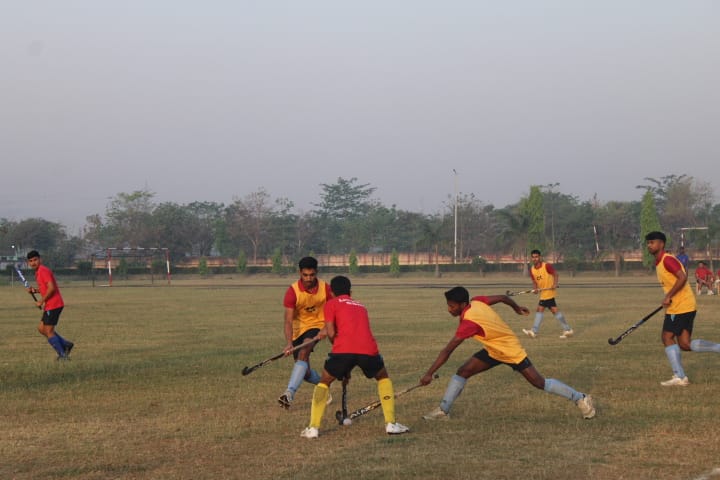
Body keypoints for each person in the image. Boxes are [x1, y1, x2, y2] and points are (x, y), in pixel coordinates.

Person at [420, 286, 595, 420]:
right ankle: (443, 411)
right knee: (463, 371)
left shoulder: (469, 323)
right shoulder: (477, 301)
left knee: (539, 382)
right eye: (448, 305)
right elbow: (503, 298)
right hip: (494, 349)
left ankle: (580, 398)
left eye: (451, 306)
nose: (449, 309)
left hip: (509, 349)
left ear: (463, 304)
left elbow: (447, 351)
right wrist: (516, 308)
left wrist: (429, 374)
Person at [300, 275, 409, 438]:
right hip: (368, 350)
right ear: (350, 292)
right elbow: (356, 337)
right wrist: (346, 367)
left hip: (343, 350)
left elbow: (331, 333)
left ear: (331, 292)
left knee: (324, 382)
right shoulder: (361, 306)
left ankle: (313, 428)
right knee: (383, 377)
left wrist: (338, 351)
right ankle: (391, 424)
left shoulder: (331, 303)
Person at [645, 231, 720, 386]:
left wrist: (669, 295)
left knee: (667, 337)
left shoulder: (667, 259)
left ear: (661, 244)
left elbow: (683, 277)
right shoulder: (660, 261)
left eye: (652, 242)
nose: (649, 245)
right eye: (648, 243)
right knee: (685, 344)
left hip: (680, 306)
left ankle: (680, 376)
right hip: (684, 305)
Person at [278, 256, 334, 409]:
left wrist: (326, 328)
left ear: (317, 272)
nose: (309, 279)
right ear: (300, 273)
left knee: (304, 349)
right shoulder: (292, 291)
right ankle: (323, 386)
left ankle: (289, 394)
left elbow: (335, 310)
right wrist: (289, 343)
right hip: (298, 330)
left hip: (317, 326)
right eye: (305, 275)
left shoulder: (326, 288)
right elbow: (288, 321)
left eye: (312, 275)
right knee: (305, 373)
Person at [26, 250, 74, 360]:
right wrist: (35, 291)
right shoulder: (38, 272)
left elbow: (51, 288)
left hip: (54, 304)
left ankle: (63, 355)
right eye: (31, 261)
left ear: (40, 259)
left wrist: (41, 301)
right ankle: (66, 344)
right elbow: (45, 288)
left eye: (35, 260)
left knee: (48, 331)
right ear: (28, 263)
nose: (33, 263)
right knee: (41, 328)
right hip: (50, 305)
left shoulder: (43, 270)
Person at [522, 249, 574, 339]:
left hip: (549, 292)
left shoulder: (546, 266)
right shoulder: (532, 270)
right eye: (533, 257)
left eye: (536, 257)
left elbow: (556, 274)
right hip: (543, 292)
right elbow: (534, 281)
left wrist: (555, 284)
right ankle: (568, 329)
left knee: (540, 309)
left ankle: (534, 331)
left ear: (540, 257)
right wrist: (535, 289)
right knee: (554, 310)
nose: (535, 259)